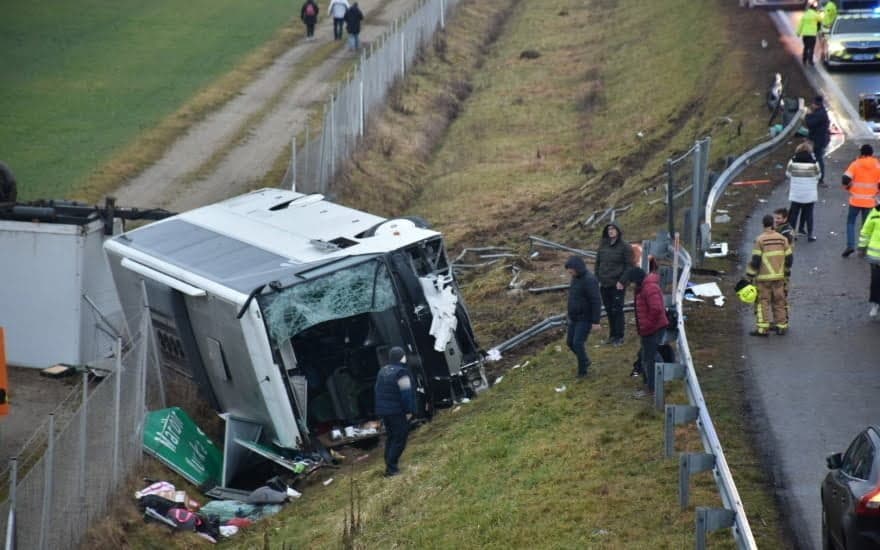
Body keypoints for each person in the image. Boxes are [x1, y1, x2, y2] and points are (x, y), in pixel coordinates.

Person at [746, 215, 793, 336]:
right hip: (779, 277)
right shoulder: (783, 239)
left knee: (763, 302)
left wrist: (749, 276)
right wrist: (786, 273)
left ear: (763, 225)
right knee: (779, 301)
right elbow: (789, 259)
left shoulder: (760, 240)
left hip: (763, 278)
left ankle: (762, 329)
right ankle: (781, 326)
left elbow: (755, 261)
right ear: (774, 224)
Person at [374, 346, 414, 477]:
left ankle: (389, 464)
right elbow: (406, 394)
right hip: (396, 411)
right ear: (402, 357)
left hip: (384, 411)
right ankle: (391, 468)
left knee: (391, 437)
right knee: (400, 437)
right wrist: (408, 410)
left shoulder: (382, 371)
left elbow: (377, 390)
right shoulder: (401, 372)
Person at [630, 267, 668, 397]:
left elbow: (656, 309)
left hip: (653, 328)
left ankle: (653, 388)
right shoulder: (644, 288)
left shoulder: (649, 288)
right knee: (648, 355)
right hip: (650, 328)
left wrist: (647, 324)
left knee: (649, 358)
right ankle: (658, 378)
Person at [594, 223, 632, 346]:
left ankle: (619, 336)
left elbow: (628, 266)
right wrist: (597, 277)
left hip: (617, 285)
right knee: (609, 310)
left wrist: (622, 281)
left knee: (617, 310)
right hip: (604, 283)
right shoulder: (603, 245)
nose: (611, 231)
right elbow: (598, 263)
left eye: (613, 229)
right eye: (609, 229)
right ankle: (612, 335)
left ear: (618, 231)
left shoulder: (624, 247)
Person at [564, 256, 602, 379]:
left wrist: (596, 321)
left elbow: (596, 301)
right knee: (570, 342)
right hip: (574, 317)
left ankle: (582, 371)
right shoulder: (575, 278)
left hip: (585, 317)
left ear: (577, 268)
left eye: (571, 270)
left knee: (578, 343)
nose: (569, 272)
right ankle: (585, 360)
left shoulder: (590, 280)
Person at [841, 143, 880, 257]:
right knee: (866, 225)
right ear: (872, 153)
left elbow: (845, 179)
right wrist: (876, 192)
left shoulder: (855, 164)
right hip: (870, 201)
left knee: (851, 222)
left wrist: (848, 187)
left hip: (855, 200)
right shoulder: (877, 165)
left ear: (861, 153)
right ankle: (863, 248)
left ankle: (850, 245)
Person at [785, 141, 820, 241]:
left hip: (796, 193)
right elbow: (818, 175)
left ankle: (792, 234)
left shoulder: (792, 161)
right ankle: (810, 235)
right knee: (809, 214)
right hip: (809, 194)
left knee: (794, 214)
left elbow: (788, 174)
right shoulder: (814, 162)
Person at [857, 195, 880, 318]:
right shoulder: (875, 214)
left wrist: (862, 247)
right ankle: (876, 303)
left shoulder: (874, 214)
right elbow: (866, 231)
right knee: (876, 281)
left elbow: (865, 232)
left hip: (874, 256)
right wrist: (862, 247)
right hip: (876, 256)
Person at [805, 96, 830, 185]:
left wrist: (807, 115)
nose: (812, 105)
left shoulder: (819, 114)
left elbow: (810, 124)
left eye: (813, 103)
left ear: (816, 104)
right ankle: (817, 177)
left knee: (818, 158)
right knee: (817, 158)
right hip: (819, 139)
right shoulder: (821, 112)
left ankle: (819, 178)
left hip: (817, 140)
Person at [797, 2, 821, 66]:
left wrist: (798, 32)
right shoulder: (815, 14)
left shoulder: (805, 14)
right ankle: (810, 61)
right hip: (812, 34)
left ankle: (804, 60)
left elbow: (801, 24)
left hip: (805, 35)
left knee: (806, 47)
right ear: (814, 8)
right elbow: (821, 20)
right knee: (811, 48)